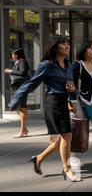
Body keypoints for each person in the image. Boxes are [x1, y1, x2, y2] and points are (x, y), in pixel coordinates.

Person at [8, 36, 80, 182]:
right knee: (67, 136)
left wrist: (73, 94)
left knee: (62, 139)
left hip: (63, 102)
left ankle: (38, 159)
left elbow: (72, 87)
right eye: (64, 44)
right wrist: (15, 101)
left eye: (68, 44)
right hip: (53, 102)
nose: (68, 47)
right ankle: (67, 169)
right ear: (54, 47)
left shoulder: (69, 65)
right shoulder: (47, 65)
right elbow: (31, 83)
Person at [4, 48, 31, 138]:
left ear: (17, 54)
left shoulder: (22, 61)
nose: (12, 56)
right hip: (20, 88)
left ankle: (23, 130)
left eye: (13, 54)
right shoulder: (18, 61)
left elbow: (22, 72)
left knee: (22, 108)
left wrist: (10, 71)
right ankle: (24, 129)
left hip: (22, 88)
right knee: (21, 108)